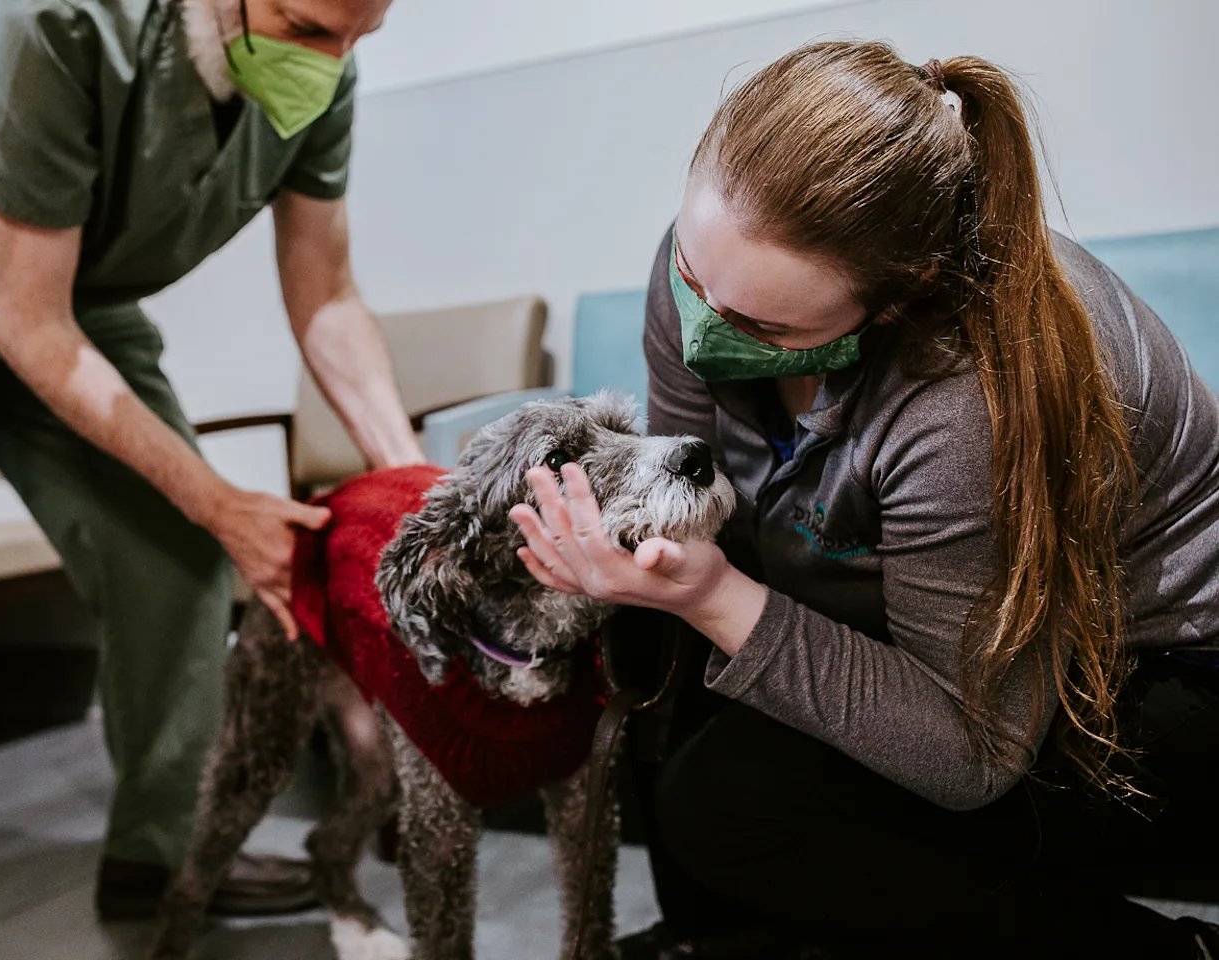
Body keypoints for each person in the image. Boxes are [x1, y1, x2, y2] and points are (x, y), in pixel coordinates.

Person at [508, 40, 1219, 960]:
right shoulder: (711, 271)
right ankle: (719, 934)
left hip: (1152, 677)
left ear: (899, 297)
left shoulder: (970, 399)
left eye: (762, 325)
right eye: (691, 278)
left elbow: (972, 753)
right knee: (665, 683)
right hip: (921, 622)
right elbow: (694, 495)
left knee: (740, 799)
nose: (704, 329)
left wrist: (709, 593)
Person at [0, 0, 423, 956]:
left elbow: (328, 294)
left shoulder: (322, 68)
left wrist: (416, 485)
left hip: (60, 286)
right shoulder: (45, 16)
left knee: (174, 554)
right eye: (308, 25)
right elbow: (30, 327)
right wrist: (223, 501)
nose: (335, 60)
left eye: (362, 34)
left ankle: (163, 857)